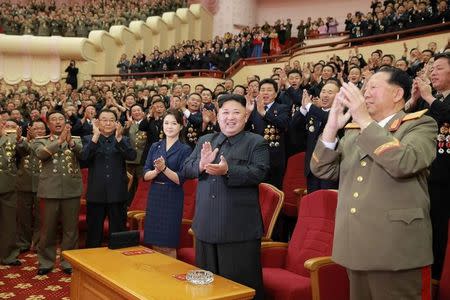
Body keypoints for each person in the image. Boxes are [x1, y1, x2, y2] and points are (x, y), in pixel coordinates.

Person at [310, 68, 436, 299]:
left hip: (395, 247)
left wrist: (366, 121)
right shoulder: (355, 130)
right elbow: (322, 169)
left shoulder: (420, 125)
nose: (365, 93)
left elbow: (405, 162)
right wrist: (331, 127)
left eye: (373, 87)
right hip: (355, 244)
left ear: (398, 94)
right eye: (365, 88)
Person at [181, 94, 270, 300]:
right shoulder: (206, 140)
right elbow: (186, 168)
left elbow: (259, 172)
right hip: (205, 227)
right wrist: (201, 165)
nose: (230, 117)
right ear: (217, 116)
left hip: (238, 231)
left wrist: (228, 171)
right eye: (225, 112)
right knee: (206, 289)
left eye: (236, 112)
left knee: (238, 290)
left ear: (245, 116)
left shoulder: (256, 142)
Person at [406, 52, 450, 279]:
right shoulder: (428, 99)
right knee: (425, 229)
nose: (433, 72)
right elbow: (404, 121)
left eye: (439, 68)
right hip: (424, 174)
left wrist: (429, 98)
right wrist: (414, 100)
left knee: (442, 231)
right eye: (431, 69)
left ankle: (440, 280)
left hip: (446, 179)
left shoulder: (436, 99)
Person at [33, 110, 83, 275]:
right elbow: (40, 154)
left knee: (71, 229)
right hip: (49, 191)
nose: (58, 122)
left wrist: (71, 143)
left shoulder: (75, 140)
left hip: (71, 190)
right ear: (48, 124)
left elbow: (83, 155)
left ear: (66, 122)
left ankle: (68, 262)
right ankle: (46, 262)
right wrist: (59, 141)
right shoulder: (40, 141)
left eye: (61, 119)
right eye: (54, 119)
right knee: (48, 228)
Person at [81, 109, 137, 248]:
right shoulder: (89, 139)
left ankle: (118, 266)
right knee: (94, 234)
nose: (107, 123)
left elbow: (132, 156)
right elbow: (84, 159)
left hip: (117, 194)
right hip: (96, 193)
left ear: (116, 123)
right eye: (104, 119)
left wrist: (118, 139)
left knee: (118, 233)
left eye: (111, 120)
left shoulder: (123, 139)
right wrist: (95, 137)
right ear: (98, 122)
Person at [142, 109, 191, 257]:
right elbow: (145, 174)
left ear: (181, 126)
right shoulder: (155, 146)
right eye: (166, 123)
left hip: (172, 196)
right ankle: (155, 276)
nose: (169, 126)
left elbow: (180, 178)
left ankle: (169, 277)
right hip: (155, 194)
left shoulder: (185, 149)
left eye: (174, 123)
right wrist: (157, 171)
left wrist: (164, 168)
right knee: (154, 242)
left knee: (168, 243)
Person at [291, 81, 341, 193]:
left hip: (330, 171)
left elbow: (328, 119)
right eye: (323, 91)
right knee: (314, 204)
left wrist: (310, 106)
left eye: (330, 92)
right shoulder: (314, 112)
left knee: (329, 205)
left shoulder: (341, 113)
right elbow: (293, 126)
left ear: (338, 96)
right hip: (311, 169)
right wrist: (304, 108)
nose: (325, 95)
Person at [247, 78, 290, 189]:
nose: (265, 93)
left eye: (269, 90)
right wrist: (247, 113)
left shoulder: (282, 108)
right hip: (255, 158)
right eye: (262, 90)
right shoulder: (253, 109)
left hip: (275, 158)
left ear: (275, 94)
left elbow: (283, 124)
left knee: (274, 191)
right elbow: (245, 131)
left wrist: (264, 113)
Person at [16, 119, 47, 253]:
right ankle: (24, 242)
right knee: (24, 216)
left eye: (41, 128)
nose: (39, 131)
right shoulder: (22, 143)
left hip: (43, 185)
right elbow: (21, 152)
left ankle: (39, 243)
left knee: (41, 217)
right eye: (36, 128)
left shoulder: (49, 142)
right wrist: (24, 140)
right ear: (29, 130)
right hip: (24, 184)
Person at [0, 120, 25, 266]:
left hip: (8, 186)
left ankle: (8, 255)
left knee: (8, 224)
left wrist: (20, 140)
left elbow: (25, 152)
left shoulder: (11, 139)